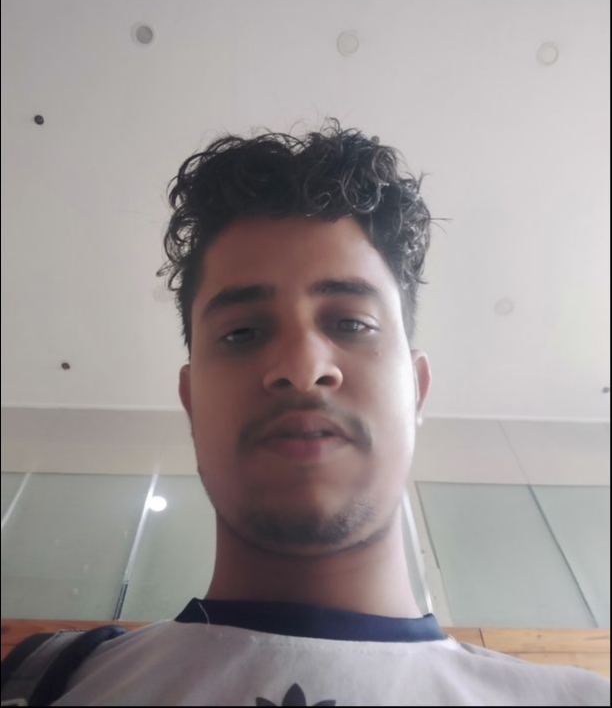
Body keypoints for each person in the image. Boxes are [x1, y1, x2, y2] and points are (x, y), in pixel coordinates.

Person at [53, 120, 609, 706]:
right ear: (190, 402)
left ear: (417, 390)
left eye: (350, 323)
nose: (301, 366)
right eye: (242, 333)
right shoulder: (47, 681)